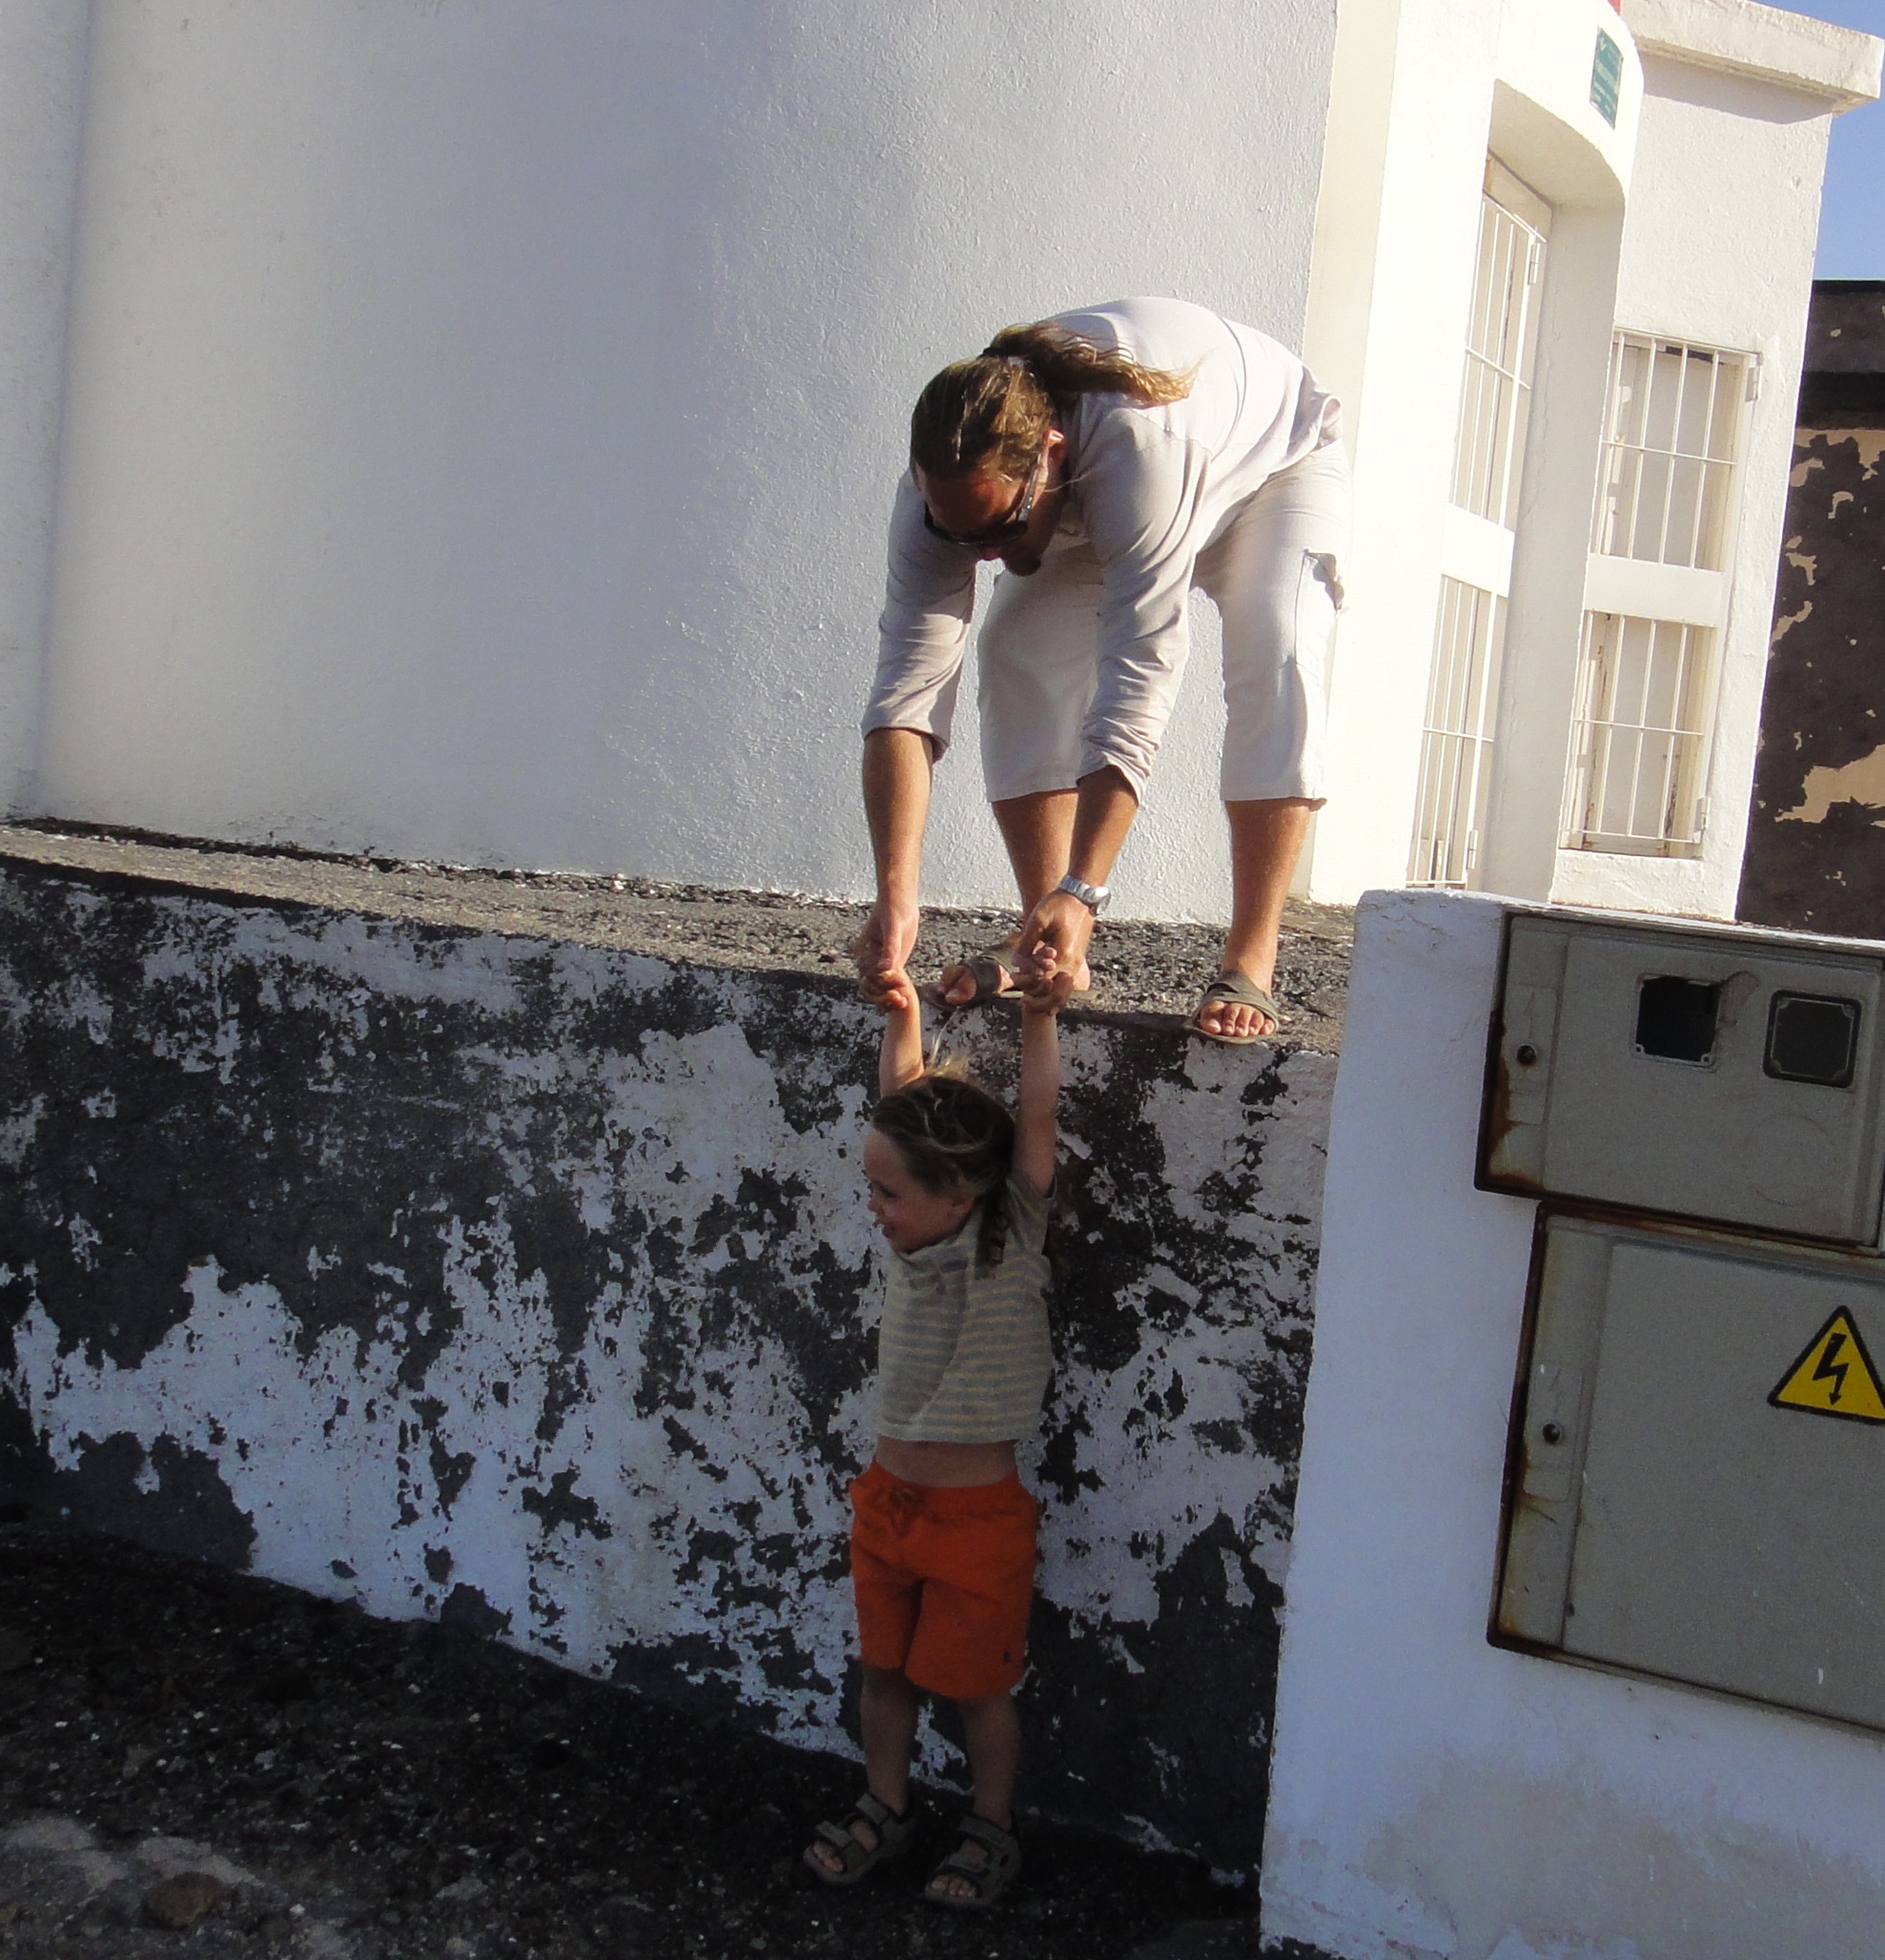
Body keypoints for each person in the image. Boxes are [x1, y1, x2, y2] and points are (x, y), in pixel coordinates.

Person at [854, 297, 1349, 1043]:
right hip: (1099, 496)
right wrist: (896, 898)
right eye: (959, 536)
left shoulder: (1139, 449)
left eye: (1000, 530)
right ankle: (1048, 940)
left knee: (1276, 647)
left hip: (1275, 469)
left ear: (1050, 454)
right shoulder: (941, 499)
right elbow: (906, 690)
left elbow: (1138, 677)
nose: (983, 555)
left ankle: (1251, 955)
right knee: (1016, 646)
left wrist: (1086, 888)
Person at [797, 970, 1061, 1909]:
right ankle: (887, 1801)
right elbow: (897, 1099)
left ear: (962, 1194)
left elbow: (1037, 1119)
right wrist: (903, 1013)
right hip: (888, 1505)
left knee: (979, 1689)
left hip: (976, 1522)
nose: (876, 1208)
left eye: (891, 1194)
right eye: (873, 1188)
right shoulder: (912, 1248)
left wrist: (1040, 1016)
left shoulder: (1009, 1234)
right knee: (884, 1673)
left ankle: (991, 1824)